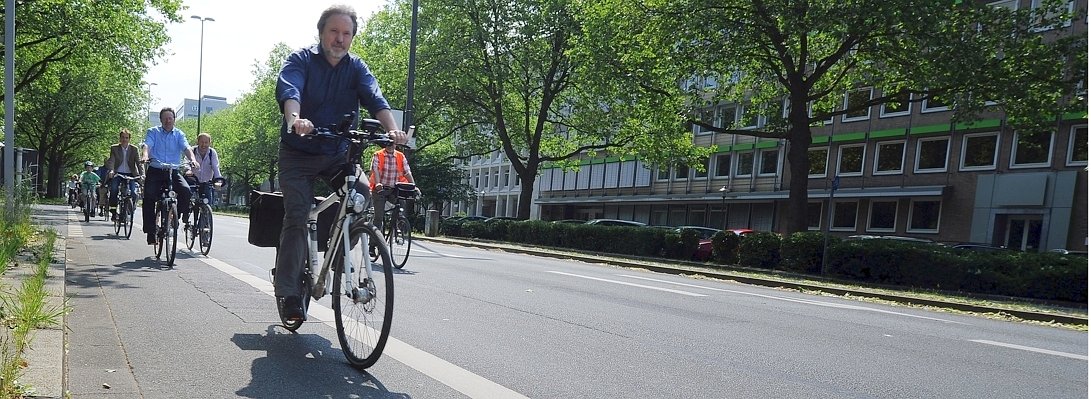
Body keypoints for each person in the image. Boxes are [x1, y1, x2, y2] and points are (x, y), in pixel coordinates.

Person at [272, 4, 408, 322]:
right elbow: (289, 89)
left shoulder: (356, 68)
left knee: (361, 194)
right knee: (298, 214)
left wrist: (392, 129)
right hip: (298, 153)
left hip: (336, 153)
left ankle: (339, 253)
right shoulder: (301, 60)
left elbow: (375, 98)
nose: (340, 39)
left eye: (346, 33)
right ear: (321, 33)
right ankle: (289, 292)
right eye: (334, 31)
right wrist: (295, 118)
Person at [141, 107, 198, 245]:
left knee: (185, 191)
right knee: (149, 197)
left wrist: (193, 159)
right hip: (156, 170)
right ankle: (150, 231)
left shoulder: (179, 134)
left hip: (173, 171)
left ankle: (175, 217)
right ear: (161, 120)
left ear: (174, 119)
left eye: (170, 118)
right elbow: (147, 145)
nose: (168, 121)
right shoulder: (153, 132)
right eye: (165, 118)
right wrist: (145, 155)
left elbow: (186, 148)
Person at [369, 138, 418, 233]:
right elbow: (376, 170)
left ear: (396, 144)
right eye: (388, 142)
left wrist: (413, 185)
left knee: (401, 204)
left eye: (392, 143)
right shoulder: (378, 154)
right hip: (380, 190)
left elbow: (407, 172)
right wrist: (378, 183)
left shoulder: (400, 156)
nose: (390, 145)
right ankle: (373, 244)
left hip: (394, 189)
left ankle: (398, 223)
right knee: (378, 217)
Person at [107, 128, 144, 221]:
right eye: (123, 137)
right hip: (118, 173)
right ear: (120, 138)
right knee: (114, 189)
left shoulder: (134, 149)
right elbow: (112, 160)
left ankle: (129, 209)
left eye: (126, 138)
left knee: (134, 192)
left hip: (130, 174)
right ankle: (114, 212)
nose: (124, 140)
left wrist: (142, 174)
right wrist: (111, 170)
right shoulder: (114, 148)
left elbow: (139, 163)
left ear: (129, 139)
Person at [190, 133, 224, 205]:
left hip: (206, 182)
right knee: (186, 199)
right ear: (198, 142)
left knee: (208, 203)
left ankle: (207, 214)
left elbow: (216, 167)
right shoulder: (192, 150)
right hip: (193, 181)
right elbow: (186, 162)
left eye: (206, 142)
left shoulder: (212, 153)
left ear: (209, 143)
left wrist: (218, 180)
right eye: (202, 142)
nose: (204, 145)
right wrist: (188, 170)